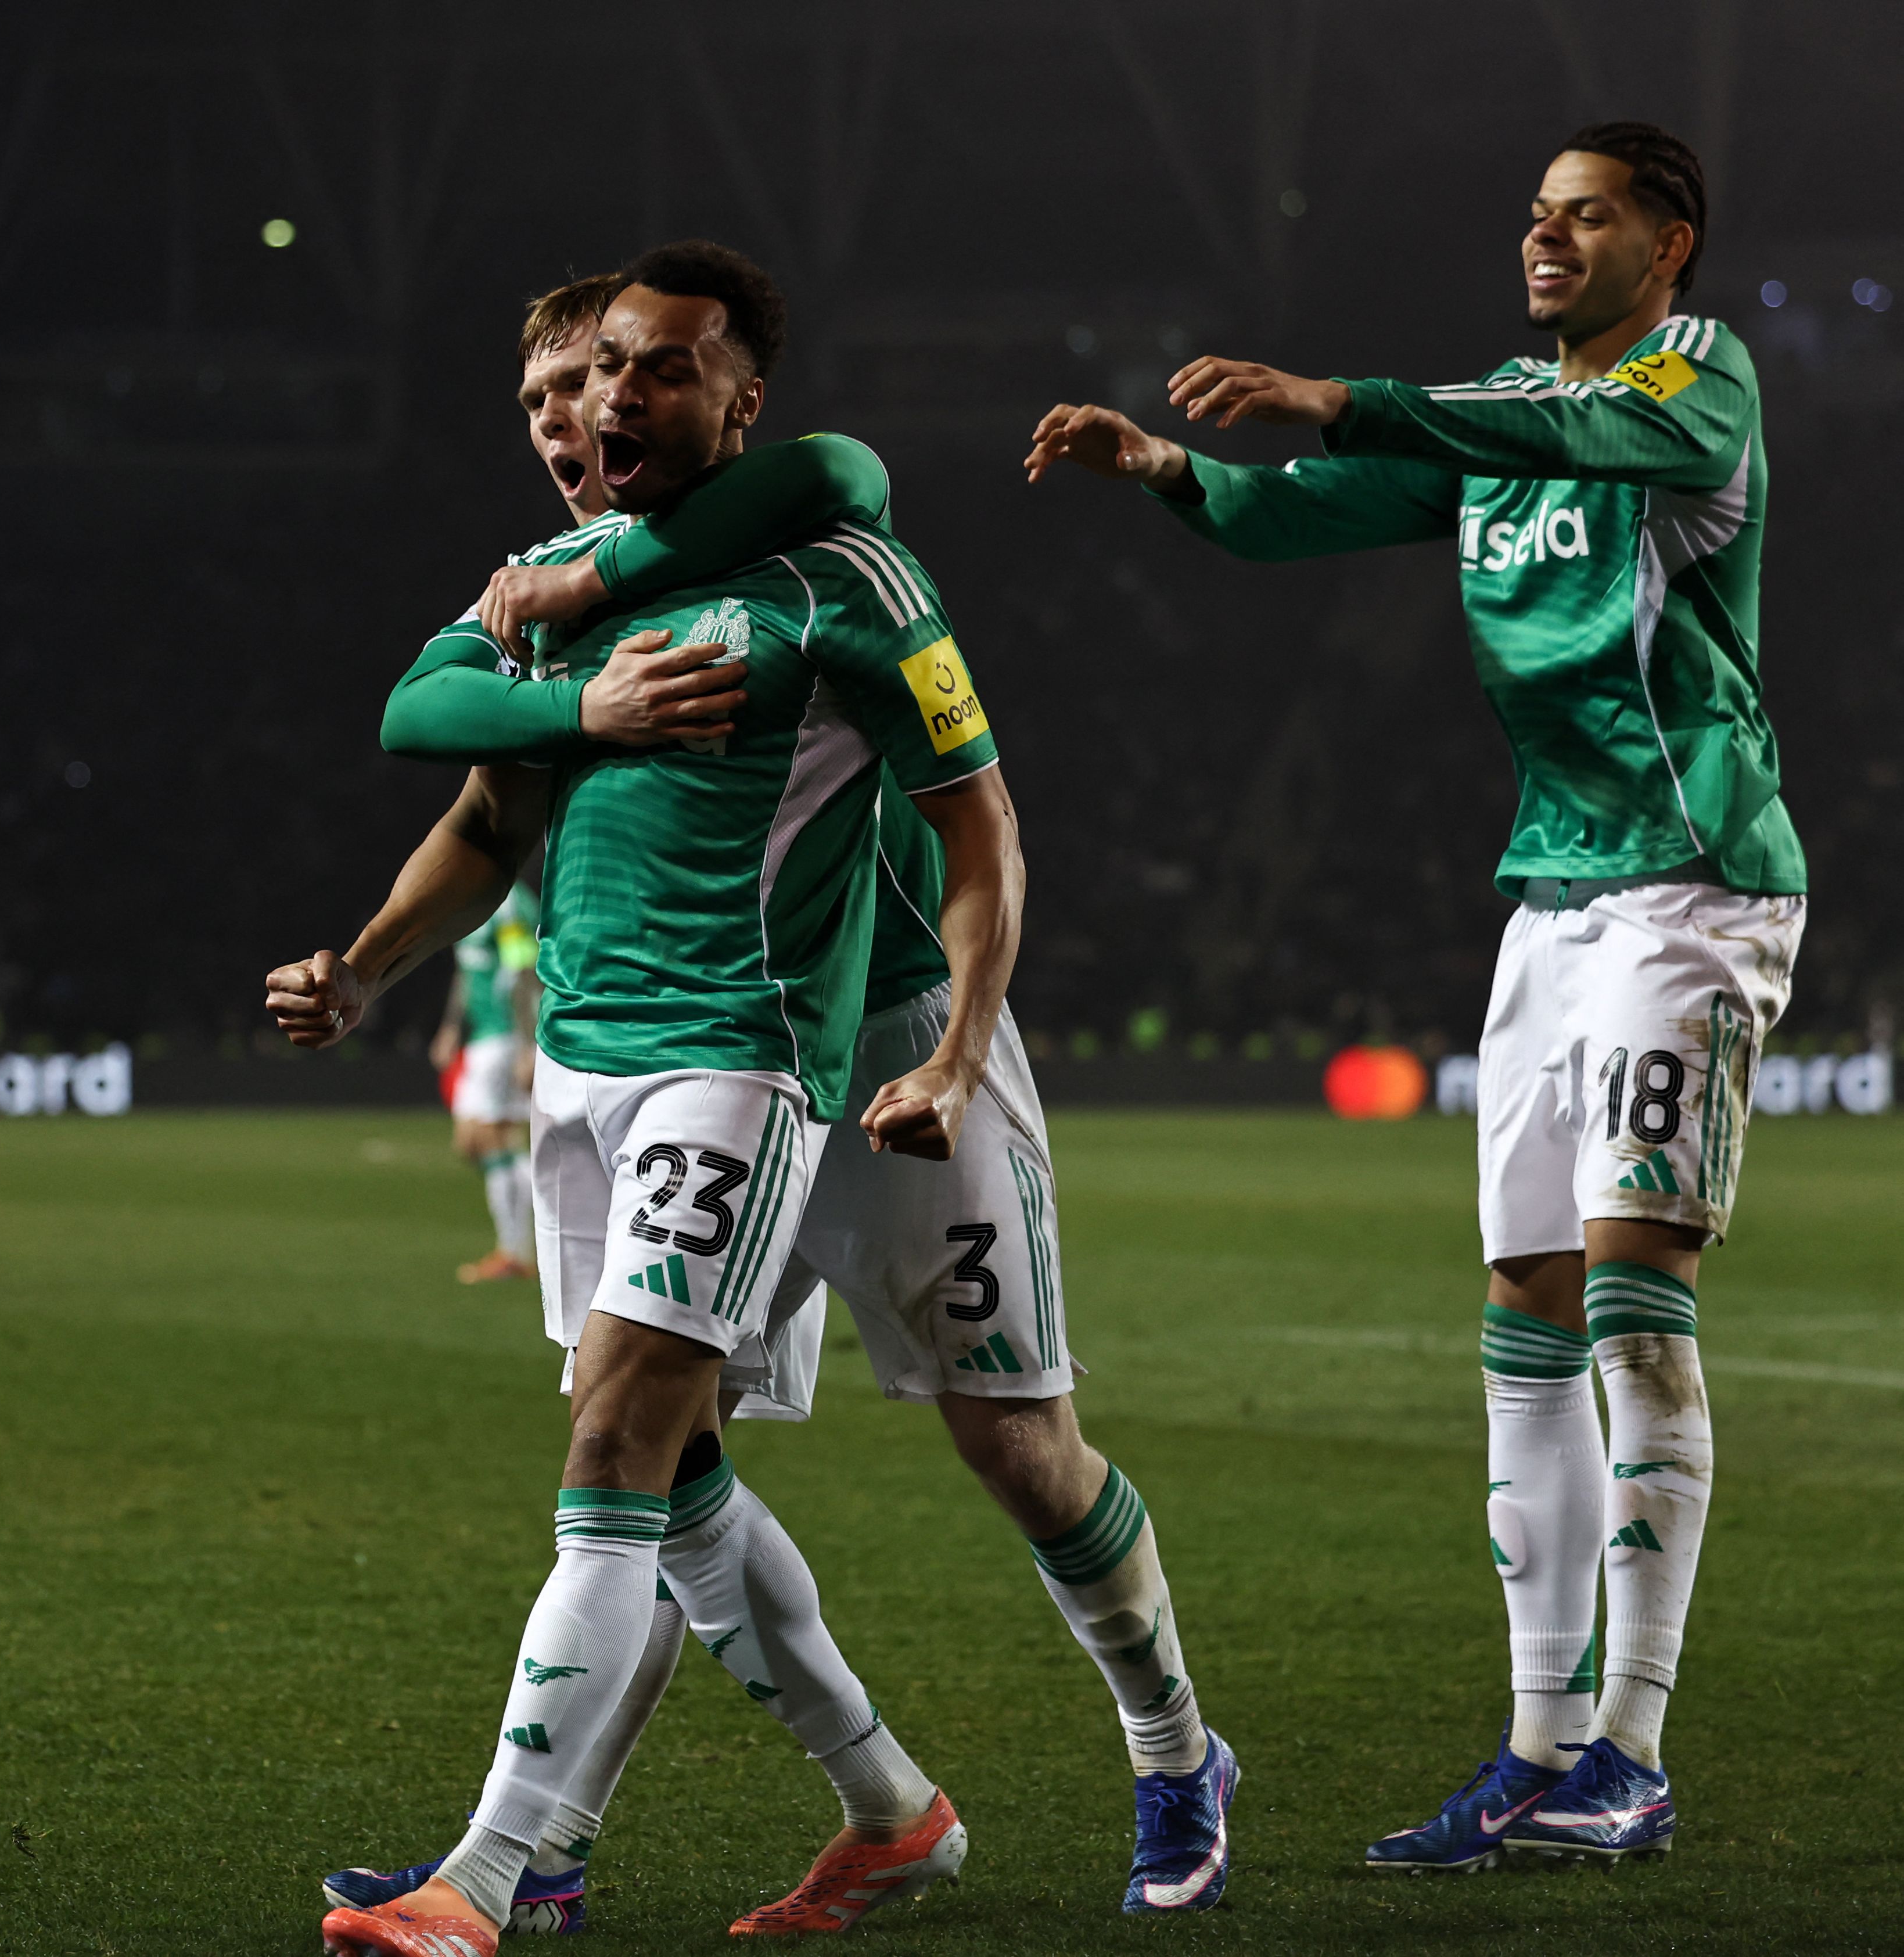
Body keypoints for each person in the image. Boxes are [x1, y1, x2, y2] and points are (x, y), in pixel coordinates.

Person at [1026, 121, 1798, 1872]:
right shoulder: (1499, 418)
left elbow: (1573, 430)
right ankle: (1536, 1746)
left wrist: (1344, 393)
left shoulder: (1698, 383)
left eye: (1582, 215)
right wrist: (1164, 466)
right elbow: (1291, 518)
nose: (1542, 238)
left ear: (1664, 247)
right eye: (1530, 214)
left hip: (1693, 877)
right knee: (1520, 1302)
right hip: (1549, 897)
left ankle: (1635, 1747)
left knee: (1628, 1297)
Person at [275, 240, 1010, 1956]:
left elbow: (968, 793)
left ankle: (489, 1870)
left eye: (644, 370)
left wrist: (955, 1042)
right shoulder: (566, 579)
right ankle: (893, 1809)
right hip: (581, 1061)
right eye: (587, 375)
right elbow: (463, 790)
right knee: (666, 1483)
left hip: (733, 1056)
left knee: (611, 1444)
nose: (603, 402)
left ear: (735, 400)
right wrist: (370, 965)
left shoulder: (833, 569)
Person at [432, 884, 543, 1285]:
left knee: (489, 1136)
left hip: (506, 1034)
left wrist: (528, 1044)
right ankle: (525, 1238)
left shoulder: (510, 904)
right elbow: (467, 970)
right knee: (473, 1142)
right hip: (481, 1036)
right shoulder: (467, 897)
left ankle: (514, 1251)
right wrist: (450, 1028)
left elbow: (523, 972)